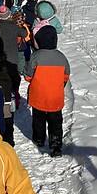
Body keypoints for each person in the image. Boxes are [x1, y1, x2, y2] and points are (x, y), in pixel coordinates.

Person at [25, 25, 70, 157]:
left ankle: (39, 139)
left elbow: (28, 76)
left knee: (38, 119)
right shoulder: (62, 57)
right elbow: (66, 75)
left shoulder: (36, 56)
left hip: (38, 96)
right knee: (55, 121)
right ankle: (56, 145)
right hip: (55, 97)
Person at [0, 6, 23, 74]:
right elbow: (25, 34)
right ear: (9, 15)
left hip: (0, 58)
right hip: (13, 59)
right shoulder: (14, 26)